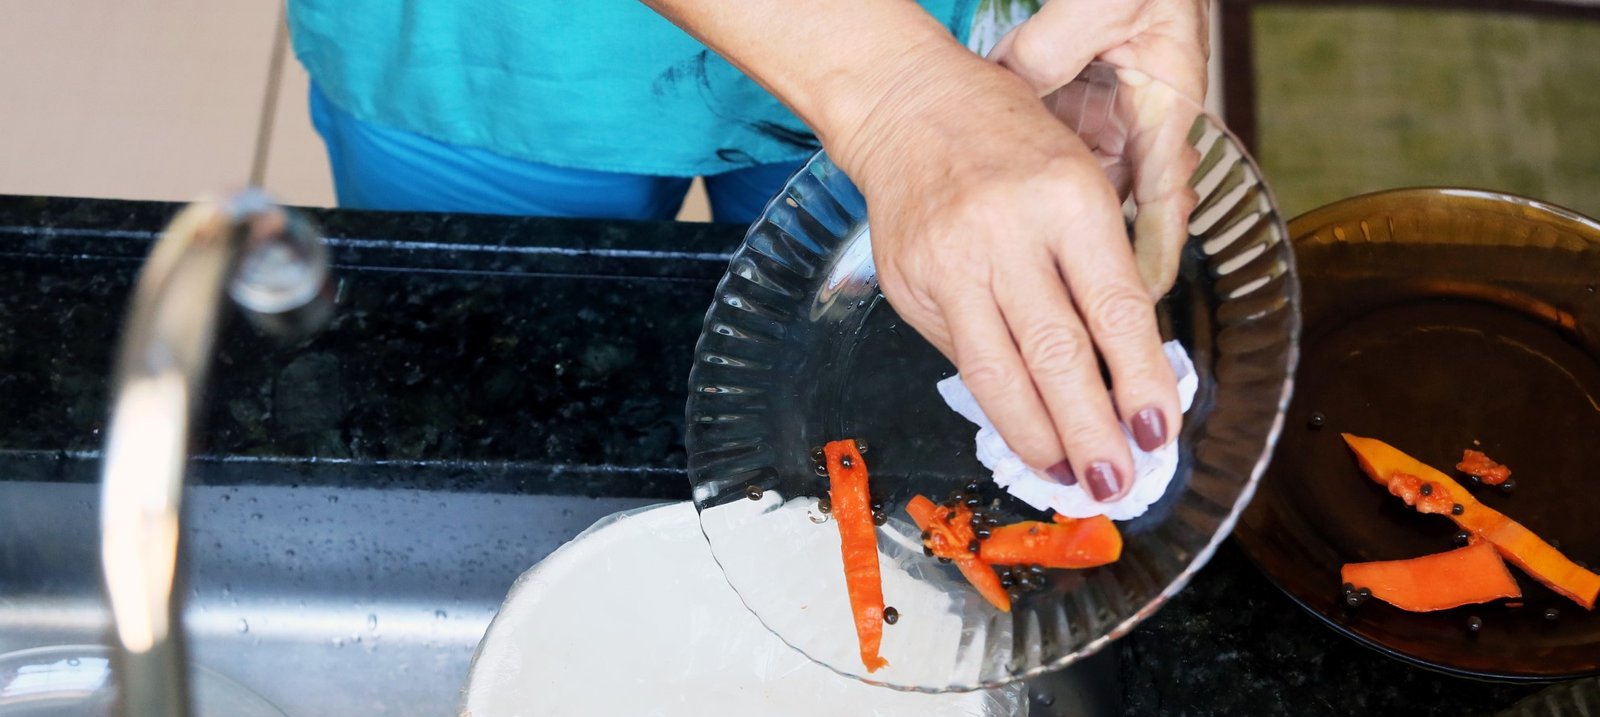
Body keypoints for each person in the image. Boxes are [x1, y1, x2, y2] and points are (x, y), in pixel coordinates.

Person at [288, 0, 1209, 504]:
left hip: (936, 53)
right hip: (492, 51)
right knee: (490, 422)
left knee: (846, 436)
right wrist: (902, 95)